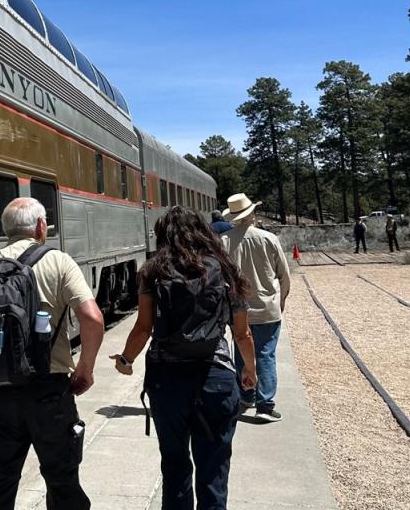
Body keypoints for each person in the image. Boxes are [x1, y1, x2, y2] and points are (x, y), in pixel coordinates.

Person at [0, 197, 104, 510]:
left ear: (5, 230)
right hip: (48, 391)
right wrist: (85, 369)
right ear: (41, 227)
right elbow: (93, 318)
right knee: (62, 482)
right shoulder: (58, 261)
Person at [112, 206, 256, 510]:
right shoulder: (226, 268)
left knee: (175, 464)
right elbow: (243, 334)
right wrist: (250, 371)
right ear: (204, 232)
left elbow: (143, 327)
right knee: (214, 467)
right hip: (216, 378)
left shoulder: (152, 272)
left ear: (163, 234)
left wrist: (126, 360)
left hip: (167, 381)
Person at [222, 193, 290, 423]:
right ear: (250, 214)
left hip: (237, 309)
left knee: (242, 350)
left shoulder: (224, 241)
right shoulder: (269, 238)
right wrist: (281, 300)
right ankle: (265, 404)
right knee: (265, 354)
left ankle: (246, 394)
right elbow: (284, 275)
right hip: (267, 306)